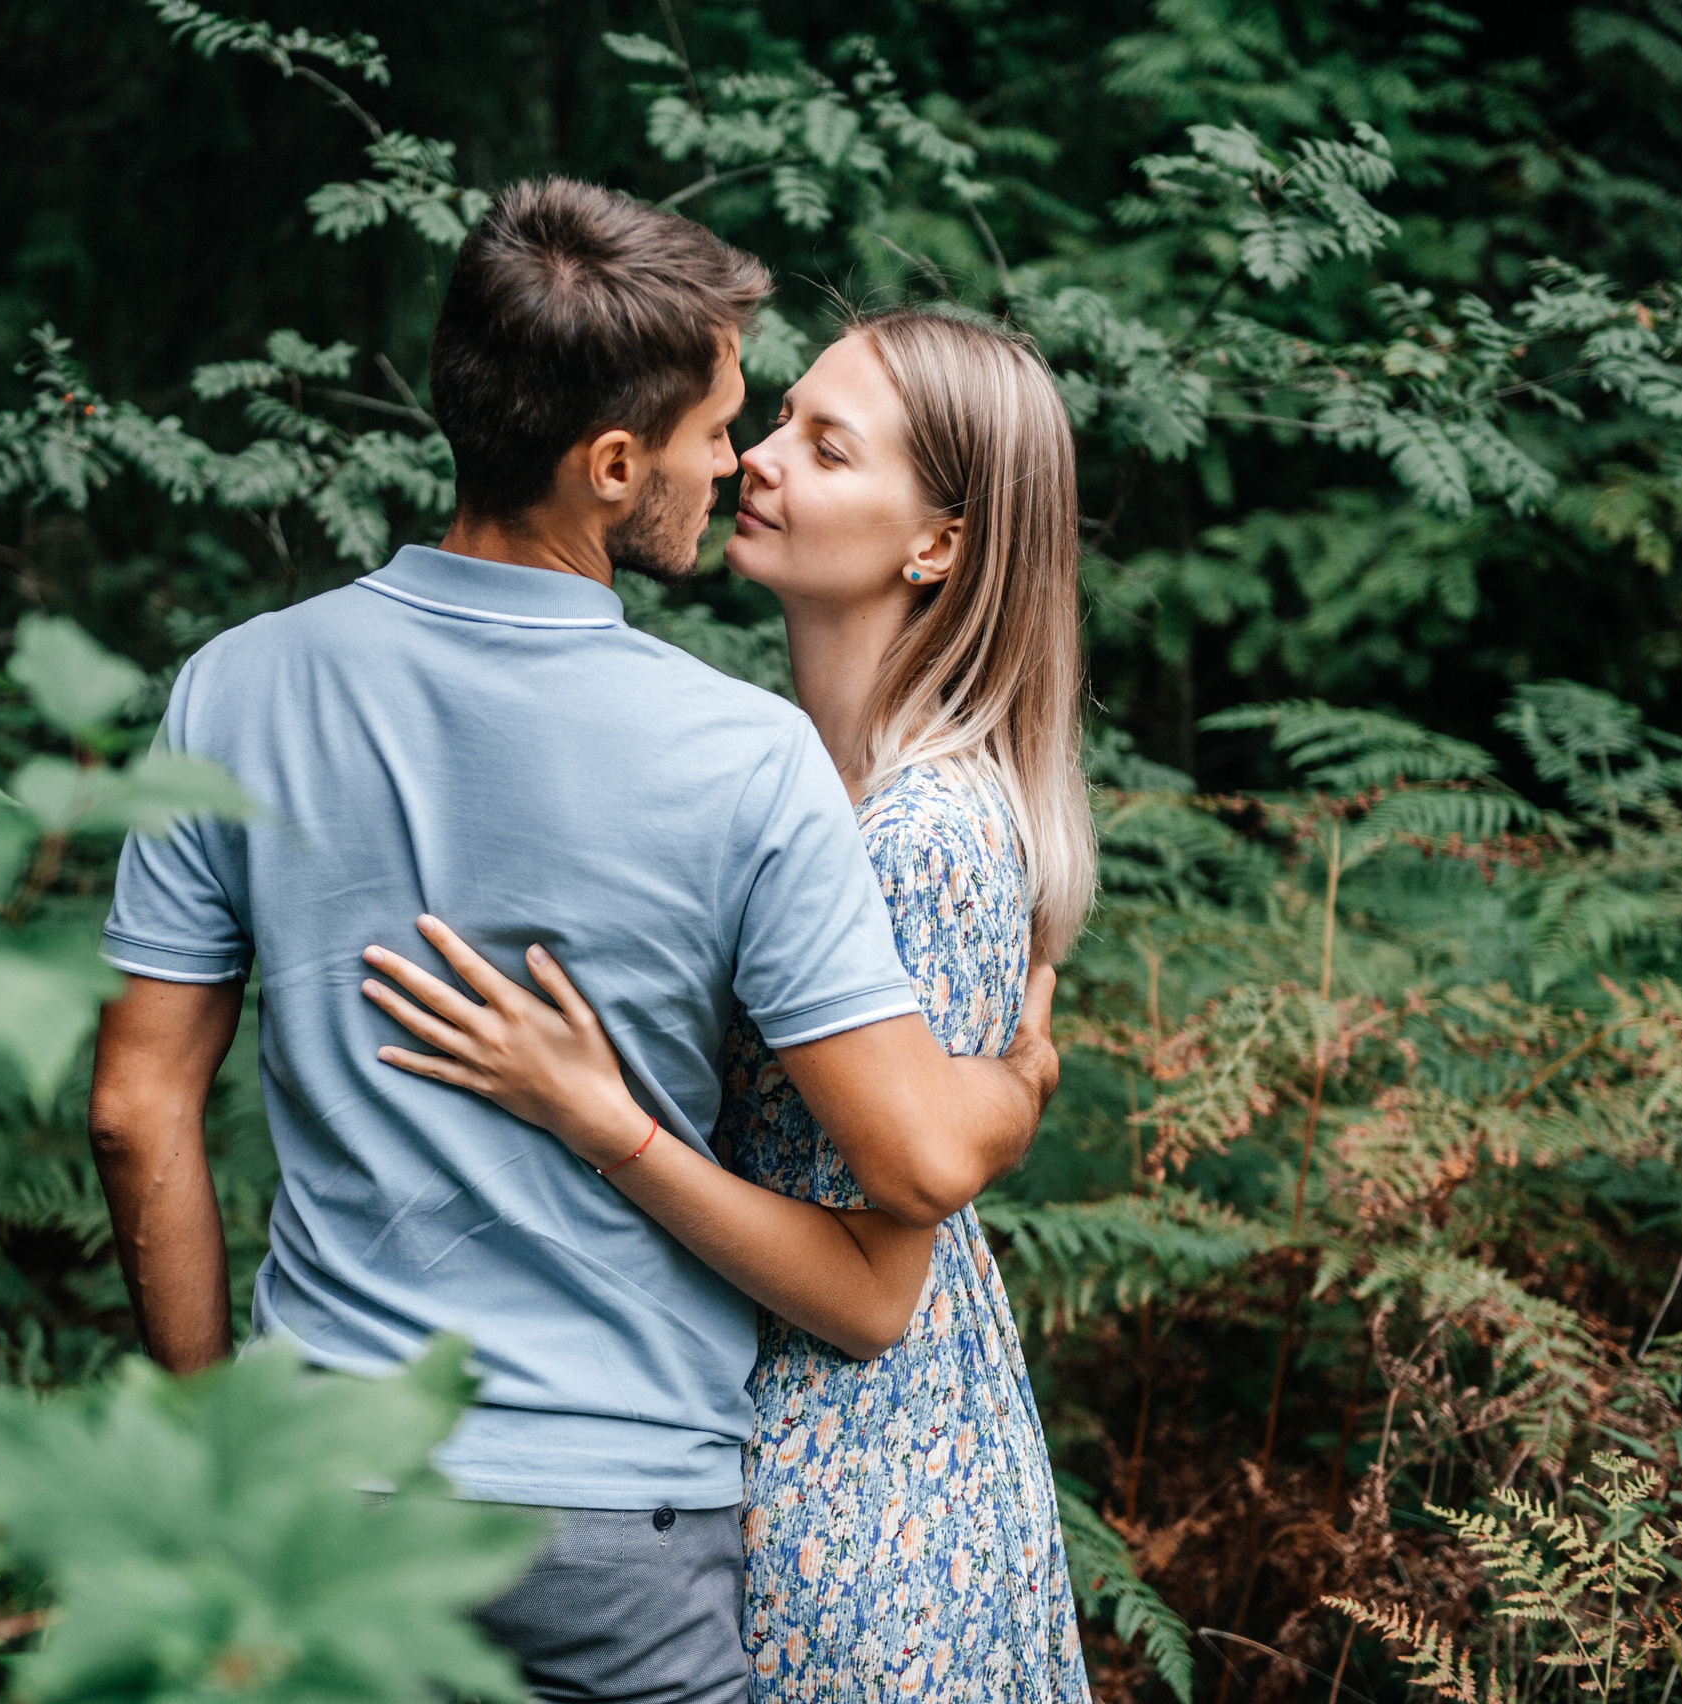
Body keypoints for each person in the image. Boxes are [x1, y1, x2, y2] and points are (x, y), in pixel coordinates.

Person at [83, 177, 1059, 1704]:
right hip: (619, 1531)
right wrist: (1015, 1082)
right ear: (612, 465)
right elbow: (920, 1169)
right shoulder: (743, 758)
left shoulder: (234, 690)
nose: (734, 463)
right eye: (717, 428)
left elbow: (136, 1110)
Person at [356, 308, 1098, 1700]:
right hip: (733, 1425)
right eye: (776, 422)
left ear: (937, 542)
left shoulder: (918, 838)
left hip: (849, 1477)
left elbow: (878, 1286)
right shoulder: (796, 774)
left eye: (827, 446)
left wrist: (601, 1119)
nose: (757, 459)